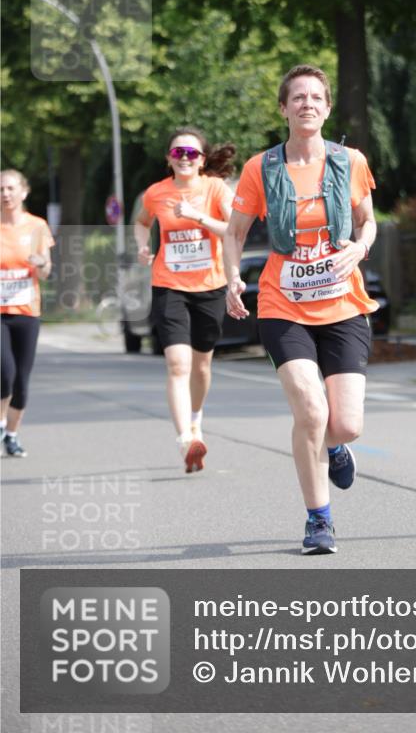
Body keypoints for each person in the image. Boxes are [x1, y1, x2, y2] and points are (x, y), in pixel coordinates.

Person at [224, 65, 378, 554]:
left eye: (316, 97)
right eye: (298, 98)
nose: (307, 104)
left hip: (343, 302)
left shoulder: (349, 161)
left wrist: (360, 246)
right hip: (282, 303)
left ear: (327, 108)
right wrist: (232, 277)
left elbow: (367, 221)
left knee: (345, 423)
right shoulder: (260, 168)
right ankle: (319, 520)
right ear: (284, 108)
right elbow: (234, 232)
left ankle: (336, 446)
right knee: (311, 410)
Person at [134, 127, 235, 473]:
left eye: (192, 153)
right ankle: (185, 441)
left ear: (202, 159)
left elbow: (233, 229)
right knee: (178, 365)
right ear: (169, 159)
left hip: (210, 286)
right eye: (178, 153)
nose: (185, 158)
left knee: (202, 365)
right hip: (169, 285)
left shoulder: (214, 188)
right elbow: (141, 221)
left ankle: (195, 418)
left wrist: (198, 217)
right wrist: (142, 244)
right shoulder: (156, 193)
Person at [1, 169, 54, 458]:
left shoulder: (37, 226)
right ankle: (0, 425)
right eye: (1, 189)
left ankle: (12, 434)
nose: (5, 194)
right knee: (5, 373)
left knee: (21, 380)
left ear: (24, 191)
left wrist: (39, 263)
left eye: (10, 188)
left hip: (27, 311)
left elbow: (46, 272)